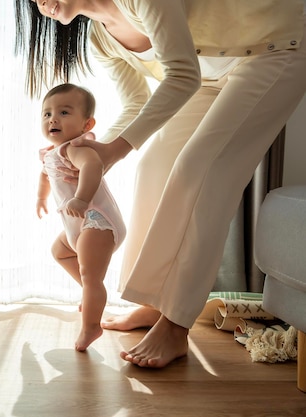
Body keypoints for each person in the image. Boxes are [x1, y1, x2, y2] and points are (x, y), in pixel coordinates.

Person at [15, 0, 306, 367]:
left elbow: (180, 74)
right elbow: (136, 101)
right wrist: (94, 152)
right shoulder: (100, 39)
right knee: (151, 165)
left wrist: (111, 153)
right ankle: (153, 304)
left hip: (274, 48)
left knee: (199, 171)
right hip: (207, 77)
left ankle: (175, 324)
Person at [36, 83, 126, 352]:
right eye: (47, 113)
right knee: (60, 252)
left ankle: (91, 326)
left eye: (64, 112)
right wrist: (41, 198)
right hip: (78, 225)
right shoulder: (51, 152)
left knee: (91, 275)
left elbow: (93, 166)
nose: (53, 118)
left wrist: (82, 198)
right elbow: (45, 174)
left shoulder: (77, 148)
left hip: (96, 220)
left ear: (87, 124)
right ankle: (92, 295)